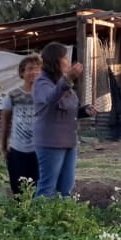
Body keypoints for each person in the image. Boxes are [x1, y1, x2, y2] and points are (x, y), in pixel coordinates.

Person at [31, 42, 96, 198]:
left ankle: (64, 221)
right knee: (47, 189)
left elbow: (68, 109)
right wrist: (67, 79)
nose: (68, 61)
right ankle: (38, 221)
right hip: (51, 143)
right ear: (55, 61)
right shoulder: (42, 83)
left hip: (69, 142)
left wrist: (84, 111)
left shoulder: (64, 84)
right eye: (64, 57)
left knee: (66, 189)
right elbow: (50, 100)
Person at [0, 54, 42, 195]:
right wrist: (3, 147)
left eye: (38, 69)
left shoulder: (47, 95)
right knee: (18, 188)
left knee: (39, 187)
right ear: (22, 73)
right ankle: (21, 215)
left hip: (40, 149)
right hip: (18, 148)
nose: (34, 72)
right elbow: (5, 121)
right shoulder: (13, 95)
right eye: (29, 69)